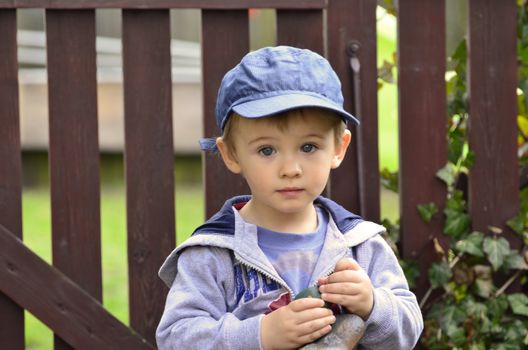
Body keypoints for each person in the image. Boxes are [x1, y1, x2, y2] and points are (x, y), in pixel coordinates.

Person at [156, 46, 423, 350]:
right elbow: (177, 338)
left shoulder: (360, 246)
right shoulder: (213, 255)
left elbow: (408, 331)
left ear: (339, 147)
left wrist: (373, 304)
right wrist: (260, 335)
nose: (291, 169)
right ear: (230, 154)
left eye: (308, 147)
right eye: (267, 150)